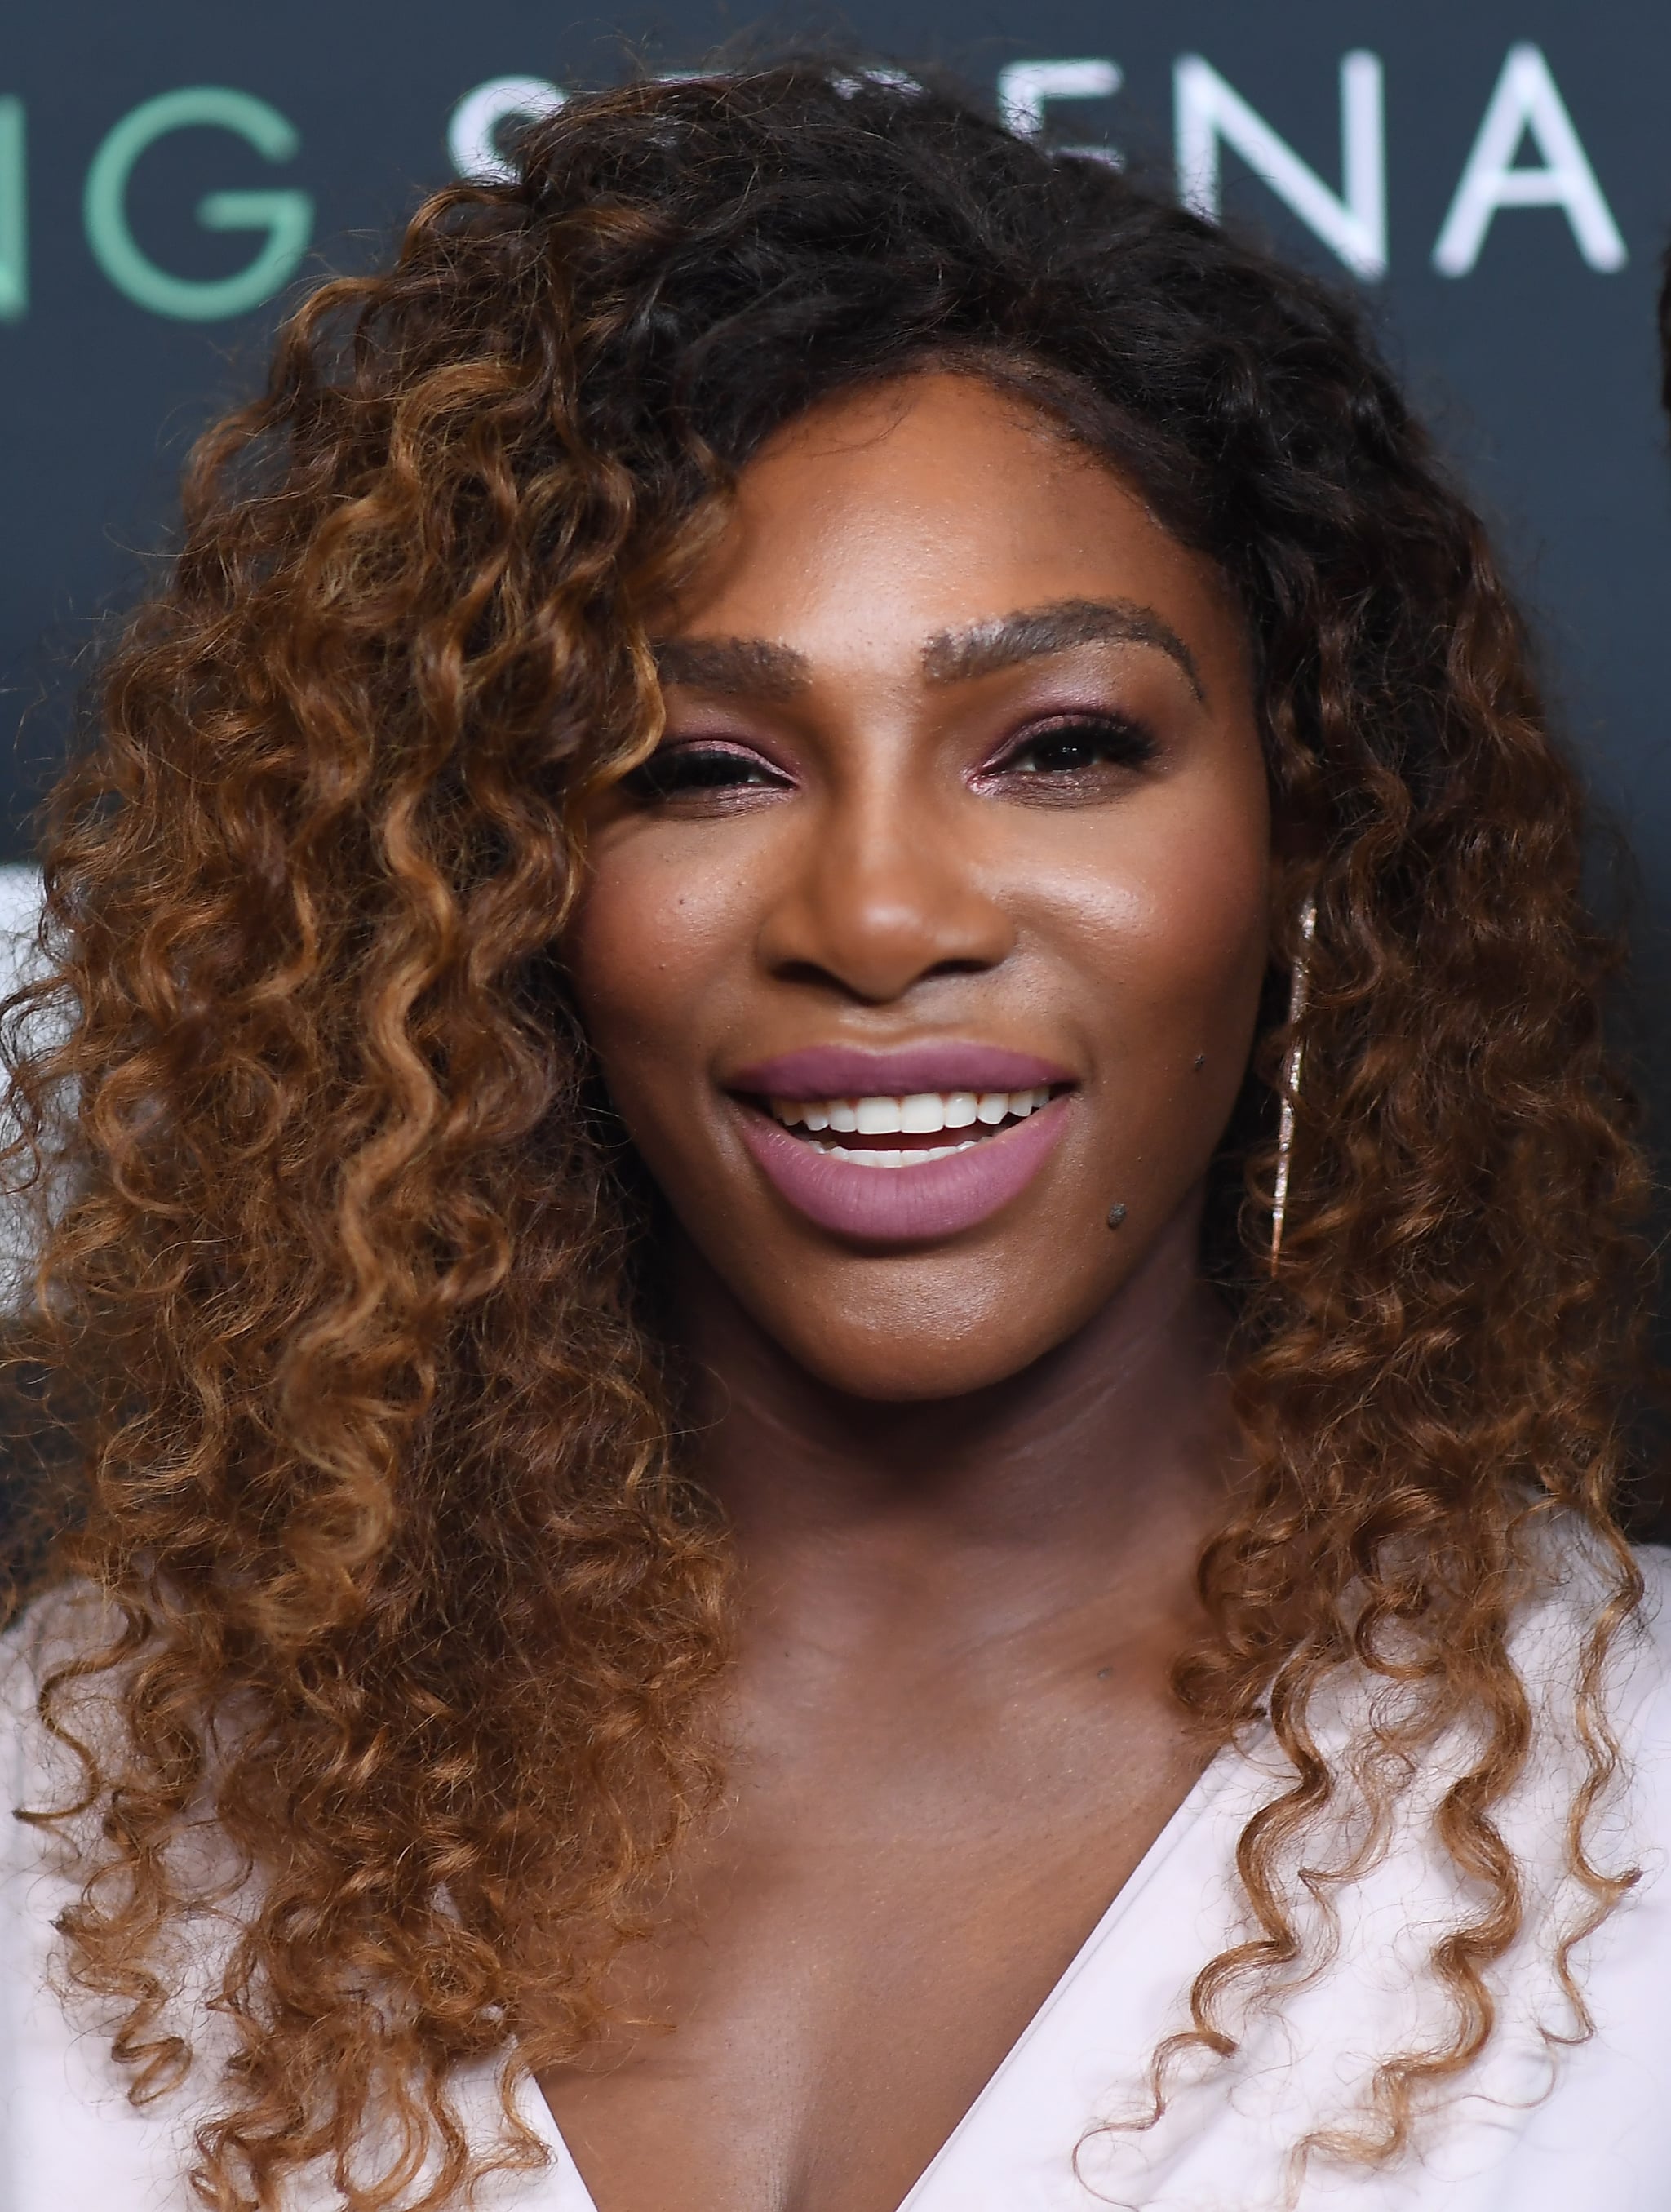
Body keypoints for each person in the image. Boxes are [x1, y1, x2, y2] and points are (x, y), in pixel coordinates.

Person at [3, 59, 1670, 2212]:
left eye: (1059, 747)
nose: (880, 919)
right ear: (491, 897)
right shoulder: (74, 1816)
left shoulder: (1633, 1801)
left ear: (1308, 843)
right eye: (700, 769)